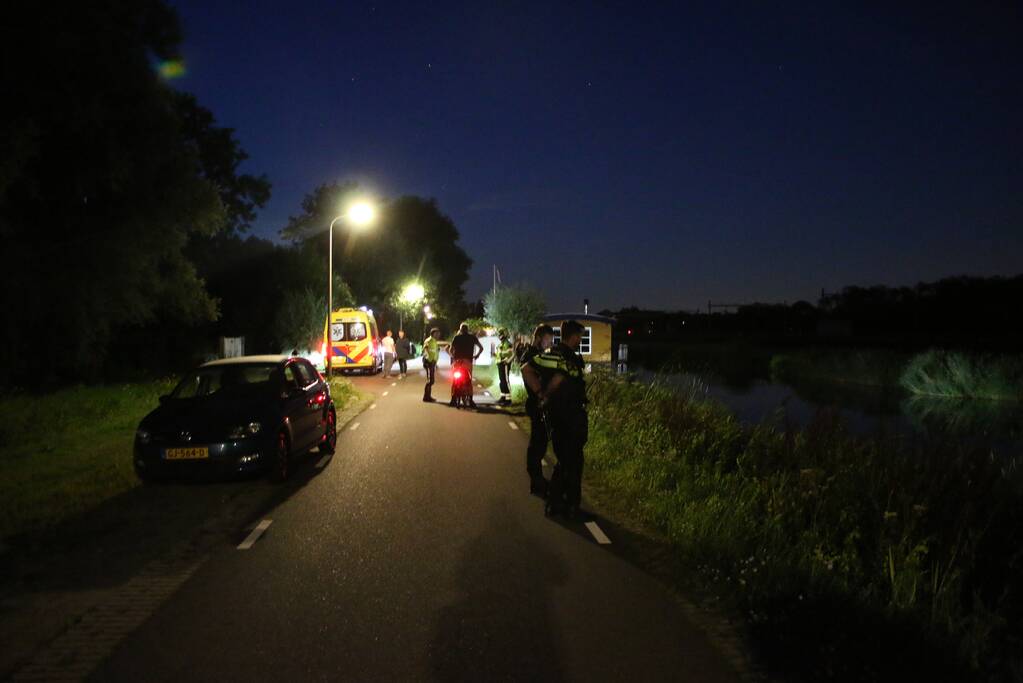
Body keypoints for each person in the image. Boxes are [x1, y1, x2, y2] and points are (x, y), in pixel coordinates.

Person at [531, 320, 588, 518]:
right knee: (573, 461)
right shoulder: (568, 357)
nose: (581, 339)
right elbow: (560, 377)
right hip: (569, 416)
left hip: (556, 415)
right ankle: (570, 506)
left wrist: (540, 393)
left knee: (565, 460)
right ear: (573, 336)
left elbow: (526, 368)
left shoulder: (550, 353)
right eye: (580, 336)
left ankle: (555, 504)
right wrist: (546, 393)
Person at [519, 324, 555, 496]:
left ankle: (538, 479)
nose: (550, 343)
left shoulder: (536, 354)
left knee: (540, 443)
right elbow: (528, 373)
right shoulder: (531, 355)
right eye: (548, 340)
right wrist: (541, 393)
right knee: (537, 444)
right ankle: (536, 481)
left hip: (539, 403)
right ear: (540, 337)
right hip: (536, 403)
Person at [448, 323, 483, 407]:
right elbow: (481, 348)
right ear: (467, 330)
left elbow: (450, 350)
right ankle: (470, 400)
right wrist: (477, 355)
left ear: (460, 330)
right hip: (468, 361)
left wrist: (453, 356)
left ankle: (453, 399)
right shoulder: (472, 337)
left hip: (457, 361)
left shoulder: (456, 337)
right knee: (469, 381)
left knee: (454, 380)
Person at [422, 328, 445, 402]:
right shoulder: (429, 340)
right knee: (430, 380)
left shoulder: (434, 341)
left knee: (431, 380)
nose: (439, 335)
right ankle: (426, 397)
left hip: (432, 362)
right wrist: (429, 359)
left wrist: (435, 362)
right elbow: (425, 349)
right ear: (433, 334)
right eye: (437, 333)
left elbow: (435, 352)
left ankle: (428, 396)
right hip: (429, 362)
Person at [496, 329, 514, 405]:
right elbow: (498, 353)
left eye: (500, 334)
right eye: (499, 334)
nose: (499, 335)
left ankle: (508, 400)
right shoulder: (501, 344)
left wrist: (501, 354)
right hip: (500, 363)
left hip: (505, 364)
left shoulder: (508, 343)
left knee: (505, 381)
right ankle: (503, 397)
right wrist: (496, 355)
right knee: (501, 381)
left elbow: (510, 353)